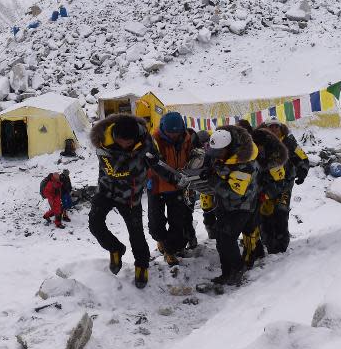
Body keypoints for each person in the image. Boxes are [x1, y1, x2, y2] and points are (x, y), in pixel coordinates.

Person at [89, 113, 186, 289]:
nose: (125, 145)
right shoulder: (102, 140)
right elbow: (110, 169)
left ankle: (142, 265)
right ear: (115, 136)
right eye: (121, 142)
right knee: (95, 224)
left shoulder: (146, 142)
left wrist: (173, 179)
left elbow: (156, 164)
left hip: (131, 195)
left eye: (129, 142)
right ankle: (115, 248)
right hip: (106, 190)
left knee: (136, 234)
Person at [200, 125, 259, 286]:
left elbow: (234, 193)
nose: (216, 156)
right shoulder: (221, 154)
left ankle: (237, 270)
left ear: (229, 148)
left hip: (241, 206)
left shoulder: (245, 165)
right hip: (225, 205)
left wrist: (213, 181)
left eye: (219, 153)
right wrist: (208, 169)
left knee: (227, 238)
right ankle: (226, 273)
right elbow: (212, 160)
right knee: (220, 237)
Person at [147, 112, 198, 266]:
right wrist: (171, 178)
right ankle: (161, 240)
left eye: (177, 132)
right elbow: (153, 164)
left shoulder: (187, 138)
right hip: (157, 186)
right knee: (156, 223)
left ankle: (170, 250)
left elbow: (191, 155)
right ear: (163, 129)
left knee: (178, 223)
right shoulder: (153, 140)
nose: (174, 136)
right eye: (170, 133)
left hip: (178, 188)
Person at [259, 119, 310, 253]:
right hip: (266, 185)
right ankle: (268, 242)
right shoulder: (260, 142)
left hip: (285, 184)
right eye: (271, 126)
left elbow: (302, 158)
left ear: (281, 128)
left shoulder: (289, 142)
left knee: (281, 212)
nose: (274, 129)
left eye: (277, 126)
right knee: (266, 214)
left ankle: (281, 245)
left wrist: (302, 171)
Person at [241, 128, 289, 268]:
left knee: (278, 218)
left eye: (258, 146)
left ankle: (279, 250)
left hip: (275, 192)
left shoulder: (274, 158)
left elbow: (280, 183)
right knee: (255, 222)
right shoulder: (251, 152)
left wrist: (265, 194)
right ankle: (257, 250)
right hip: (257, 192)